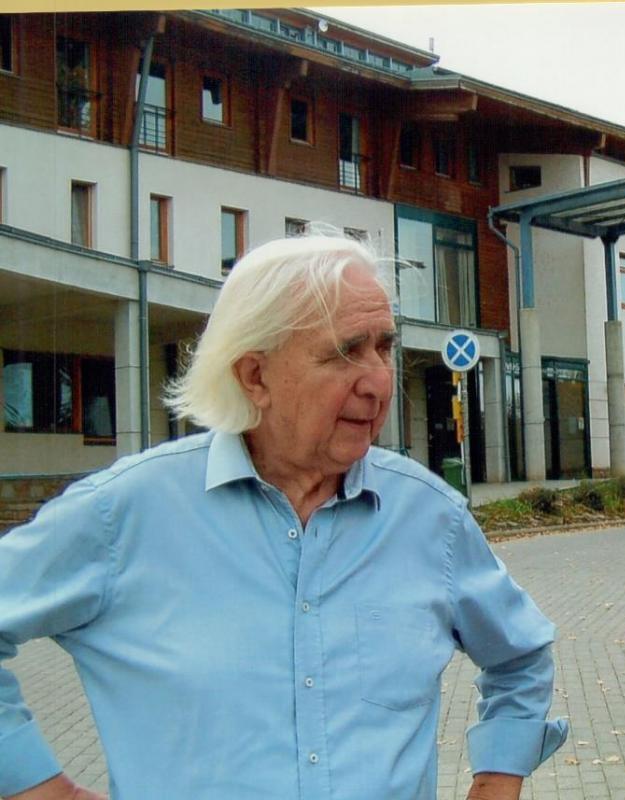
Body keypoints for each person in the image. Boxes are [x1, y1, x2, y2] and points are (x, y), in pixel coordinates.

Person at [0, 235, 566, 800]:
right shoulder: (122, 513)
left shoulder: (429, 517)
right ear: (255, 376)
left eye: (384, 347)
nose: (377, 381)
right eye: (345, 352)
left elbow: (520, 657)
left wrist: (497, 779)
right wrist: (40, 787)